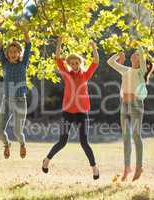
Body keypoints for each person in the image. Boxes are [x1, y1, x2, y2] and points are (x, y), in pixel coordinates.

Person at [42, 37, 100, 180]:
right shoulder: (66, 74)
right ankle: (47, 160)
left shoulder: (85, 75)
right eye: (72, 63)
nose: (74, 65)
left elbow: (96, 62)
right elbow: (57, 59)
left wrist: (93, 47)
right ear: (69, 64)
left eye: (77, 62)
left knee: (84, 142)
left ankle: (94, 167)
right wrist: (59, 43)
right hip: (67, 112)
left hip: (82, 112)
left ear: (80, 63)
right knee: (62, 141)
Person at [107, 48, 154, 181]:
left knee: (136, 135)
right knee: (125, 137)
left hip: (136, 105)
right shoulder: (126, 70)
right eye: (134, 54)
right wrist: (118, 55)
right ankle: (127, 167)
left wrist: (140, 46)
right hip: (124, 104)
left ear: (141, 60)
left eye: (138, 55)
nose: (134, 55)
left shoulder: (141, 72)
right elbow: (110, 62)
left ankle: (139, 166)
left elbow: (144, 58)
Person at [0, 20, 31, 159]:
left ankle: (22, 144)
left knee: (17, 132)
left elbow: (28, 44)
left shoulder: (24, 63)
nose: (13, 53)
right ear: (8, 54)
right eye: (10, 51)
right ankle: (7, 144)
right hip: (7, 101)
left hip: (21, 101)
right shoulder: (4, 63)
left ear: (19, 53)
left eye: (16, 51)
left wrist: (23, 29)